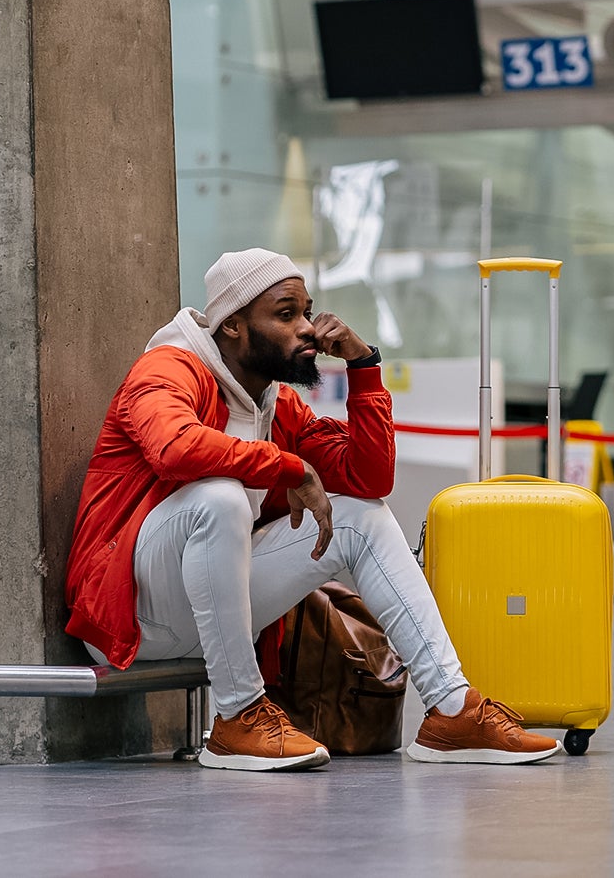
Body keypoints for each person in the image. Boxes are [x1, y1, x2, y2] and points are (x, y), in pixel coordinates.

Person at [65, 248, 560, 771]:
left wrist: (363, 366)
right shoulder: (167, 368)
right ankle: (238, 717)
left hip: (208, 615)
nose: (306, 328)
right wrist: (289, 467)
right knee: (219, 497)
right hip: (134, 612)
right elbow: (175, 446)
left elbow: (368, 478)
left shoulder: (277, 404)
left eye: (306, 312)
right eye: (286, 315)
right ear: (233, 325)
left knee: (361, 518)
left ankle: (452, 709)